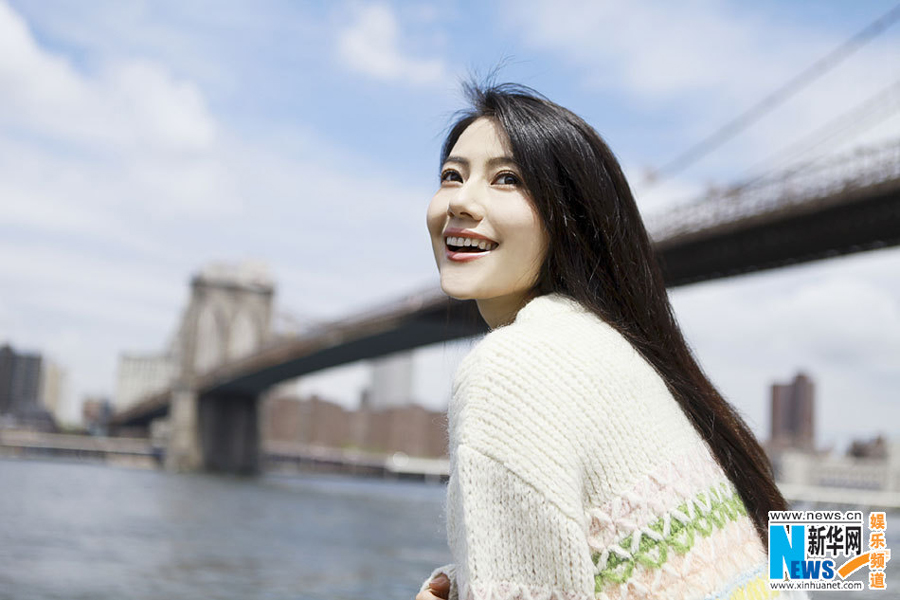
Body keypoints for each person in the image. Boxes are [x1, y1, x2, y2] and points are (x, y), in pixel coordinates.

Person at [416, 81, 808, 600]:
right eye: (452, 176)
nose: (461, 201)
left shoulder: (510, 370)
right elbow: (764, 565)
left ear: (570, 217)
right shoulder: (639, 359)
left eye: (507, 179)